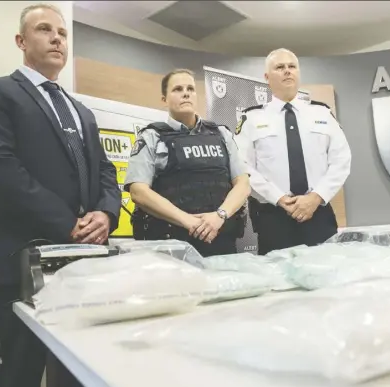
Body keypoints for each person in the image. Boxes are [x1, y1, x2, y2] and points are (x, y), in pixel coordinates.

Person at [0, 4, 120, 387]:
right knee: (19, 377)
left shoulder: (81, 111)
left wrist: (105, 213)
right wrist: (68, 223)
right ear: (21, 41)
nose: (56, 38)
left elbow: (105, 172)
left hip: (83, 263)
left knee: (81, 377)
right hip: (23, 262)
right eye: (44, 30)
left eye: (62, 33)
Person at [235, 48, 351, 255]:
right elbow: (242, 167)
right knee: (278, 281)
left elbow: (341, 160)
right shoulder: (251, 119)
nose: (287, 71)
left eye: (292, 67)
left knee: (327, 277)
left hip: (318, 213)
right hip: (274, 216)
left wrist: (316, 197)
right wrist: (279, 198)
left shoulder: (322, 113)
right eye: (280, 67)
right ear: (267, 78)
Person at [125, 68, 251, 257]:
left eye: (190, 89)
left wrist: (219, 216)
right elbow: (138, 192)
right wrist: (189, 222)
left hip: (221, 242)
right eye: (177, 89)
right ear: (164, 99)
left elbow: (243, 184)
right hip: (171, 246)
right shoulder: (151, 137)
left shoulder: (221, 134)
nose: (186, 93)